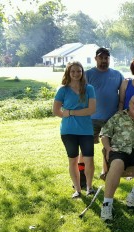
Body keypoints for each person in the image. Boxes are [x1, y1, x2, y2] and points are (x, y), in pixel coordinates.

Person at [53, 61, 96, 198]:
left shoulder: (89, 88)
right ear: (68, 73)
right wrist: (65, 113)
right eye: (73, 71)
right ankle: (77, 190)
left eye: (79, 71)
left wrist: (70, 112)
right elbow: (56, 110)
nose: (76, 74)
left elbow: (91, 110)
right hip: (68, 131)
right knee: (73, 160)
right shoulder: (63, 90)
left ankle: (89, 188)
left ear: (82, 72)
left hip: (86, 130)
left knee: (89, 160)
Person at [84, 48, 124, 178]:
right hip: (91, 118)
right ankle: (84, 174)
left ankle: (105, 171)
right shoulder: (88, 74)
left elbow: (124, 91)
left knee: (109, 147)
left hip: (111, 118)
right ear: (95, 58)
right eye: (101, 58)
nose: (104, 60)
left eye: (106, 58)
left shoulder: (117, 74)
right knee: (87, 148)